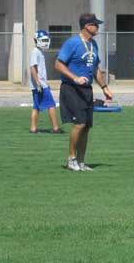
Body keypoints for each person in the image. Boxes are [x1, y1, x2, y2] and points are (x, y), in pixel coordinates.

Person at [54, 13, 113, 171]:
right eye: (95, 24)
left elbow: (95, 69)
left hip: (87, 90)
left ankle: (81, 161)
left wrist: (104, 88)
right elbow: (58, 65)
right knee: (79, 124)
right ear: (87, 26)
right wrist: (75, 78)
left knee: (86, 126)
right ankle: (71, 159)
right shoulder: (72, 43)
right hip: (72, 88)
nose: (98, 27)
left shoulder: (93, 44)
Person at [29, 29, 60, 134]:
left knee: (36, 107)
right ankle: (55, 128)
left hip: (41, 84)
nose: (45, 43)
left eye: (46, 40)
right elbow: (33, 68)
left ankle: (33, 128)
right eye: (43, 40)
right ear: (37, 40)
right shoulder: (35, 52)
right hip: (40, 85)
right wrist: (38, 83)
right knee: (51, 104)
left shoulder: (39, 52)